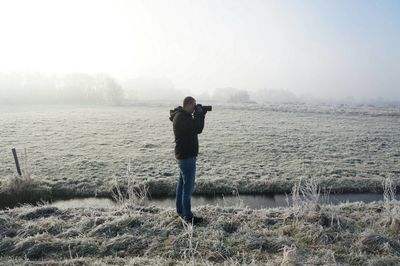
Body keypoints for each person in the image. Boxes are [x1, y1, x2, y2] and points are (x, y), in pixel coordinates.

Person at [169, 96, 208, 224]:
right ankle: (188, 216)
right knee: (188, 188)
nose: (195, 109)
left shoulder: (181, 115)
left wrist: (199, 114)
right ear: (189, 105)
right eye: (194, 106)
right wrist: (200, 115)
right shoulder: (182, 118)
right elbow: (198, 129)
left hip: (183, 156)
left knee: (181, 185)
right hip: (186, 158)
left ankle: (180, 210)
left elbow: (194, 128)